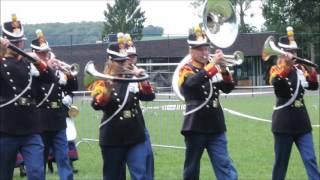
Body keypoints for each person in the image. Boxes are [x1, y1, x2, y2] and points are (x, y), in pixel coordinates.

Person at [88, 33, 155, 180]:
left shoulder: (133, 78)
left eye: (124, 61)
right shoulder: (102, 81)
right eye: (119, 62)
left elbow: (149, 96)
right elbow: (96, 104)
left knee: (140, 174)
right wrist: (108, 90)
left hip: (135, 133)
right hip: (112, 136)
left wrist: (143, 80)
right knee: (114, 176)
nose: (124, 64)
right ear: (110, 61)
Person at [178, 25, 238, 180]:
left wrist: (224, 69)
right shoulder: (186, 69)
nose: (205, 52)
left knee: (225, 166)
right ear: (191, 50)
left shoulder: (213, 68)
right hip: (195, 125)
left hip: (216, 125)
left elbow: (228, 88)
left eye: (206, 48)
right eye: (200, 49)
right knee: (192, 169)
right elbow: (192, 83)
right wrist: (213, 66)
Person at [0, 14, 54, 180]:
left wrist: (38, 62)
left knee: (37, 172)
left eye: (19, 41)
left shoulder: (29, 62)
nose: (18, 44)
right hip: (6, 127)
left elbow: (50, 78)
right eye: (14, 42)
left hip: (31, 126)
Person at [268, 26, 320, 180]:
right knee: (281, 163)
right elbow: (277, 84)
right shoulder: (275, 70)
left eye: (295, 52)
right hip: (283, 124)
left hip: (302, 122)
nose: (295, 55)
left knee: (310, 159)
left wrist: (311, 71)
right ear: (283, 52)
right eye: (292, 52)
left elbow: (313, 86)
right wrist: (287, 66)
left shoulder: (300, 68)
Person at [31, 29, 78, 180]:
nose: (45, 55)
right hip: (40, 121)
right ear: (34, 53)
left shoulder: (57, 72)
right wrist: (47, 68)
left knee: (63, 159)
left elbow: (73, 87)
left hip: (58, 121)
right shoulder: (32, 71)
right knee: (40, 162)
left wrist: (68, 73)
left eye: (47, 52)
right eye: (42, 53)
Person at [125, 33, 155, 180]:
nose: (132, 60)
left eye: (134, 56)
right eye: (129, 56)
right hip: (120, 127)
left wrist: (143, 80)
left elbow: (149, 96)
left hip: (139, 123)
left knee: (148, 158)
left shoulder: (137, 73)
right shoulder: (116, 75)